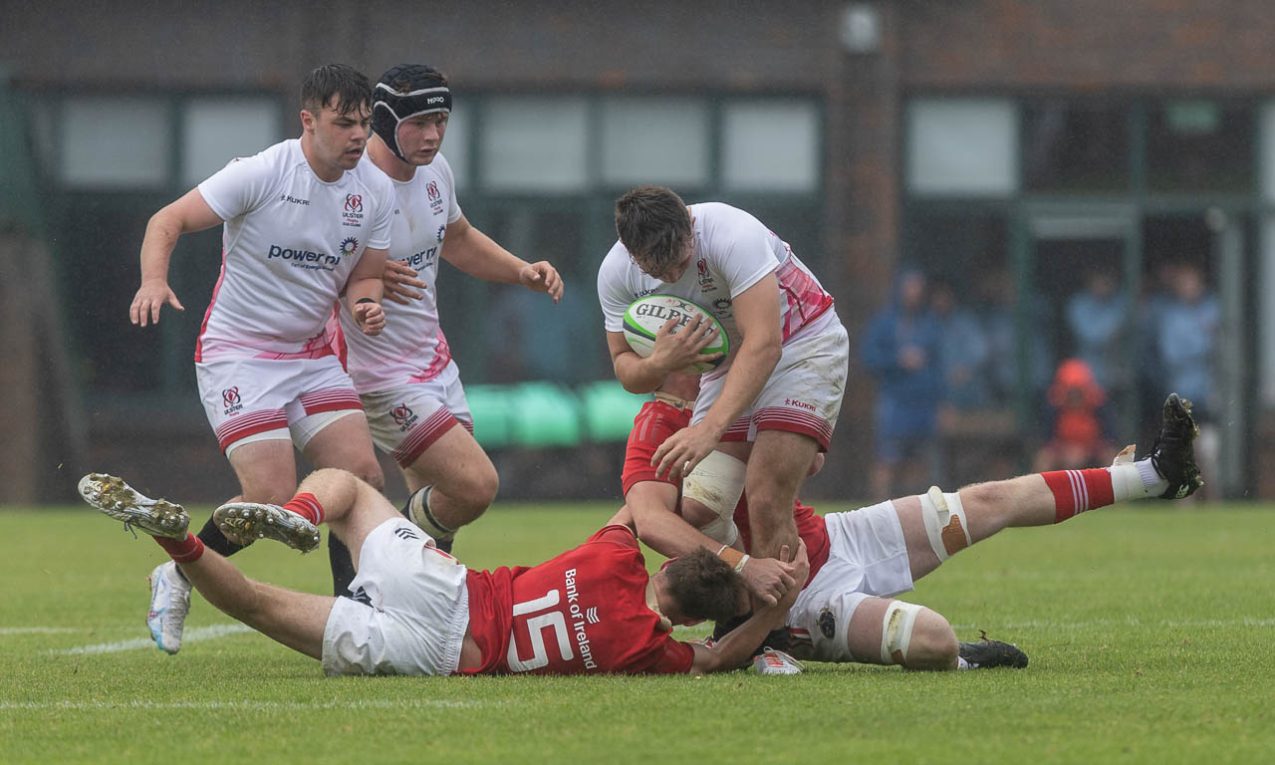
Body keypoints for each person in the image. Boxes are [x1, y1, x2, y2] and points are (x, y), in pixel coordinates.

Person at [616, 380, 1204, 670]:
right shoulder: (655, 426)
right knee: (933, 640)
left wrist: (796, 450)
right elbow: (649, 522)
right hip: (796, 600)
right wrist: (743, 570)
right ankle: (964, 661)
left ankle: (1152, 477)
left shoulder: (737, 391)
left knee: (989, 500)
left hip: (837, 536)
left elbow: (807, 458)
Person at [126, 64, 395, 654]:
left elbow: (366, 277)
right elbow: (165, 220)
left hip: (312, 354)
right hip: (239, 354)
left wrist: (367, 305)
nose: (357, 136)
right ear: (308, 120)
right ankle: (176, 571)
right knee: (271, 492)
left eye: (365, 123)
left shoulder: (374, 188)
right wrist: (152, 281)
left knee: (363, 477)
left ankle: (353, 616)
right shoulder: (262, 173)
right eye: (343, 123)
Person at [76, 469, 807, 677]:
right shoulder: (654, 647)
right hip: (439, 656)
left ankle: (301, 513)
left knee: (351, 487)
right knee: (263, 607)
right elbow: (719, 654)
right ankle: (183, 549)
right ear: (678, 613)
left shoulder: (614, 557)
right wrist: (772, 608)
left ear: (666, 566)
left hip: (444, 585)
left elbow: (639, 509)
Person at [332, 63, 562, 579]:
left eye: (441, 121)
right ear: (386, 120)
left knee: (440, 516)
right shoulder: (348, 184)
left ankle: (409, 611)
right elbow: (300, 268)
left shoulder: (436, 172)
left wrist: (519, 271)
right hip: (376, 372)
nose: (433, 135)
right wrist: (357, 279)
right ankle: (376, 548)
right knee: (474, 485)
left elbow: (456, 238)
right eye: (419, 123)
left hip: (431, 359)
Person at [596, 186, 849, 564]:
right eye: (656, 269)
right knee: (700, 512)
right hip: (729, 361)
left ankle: (775, 621)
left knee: (764, 493)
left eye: (679, 263)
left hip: (801, 342)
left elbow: (765, 344)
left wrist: (709, 429)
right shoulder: (616, 273)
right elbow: (626, 371)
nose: (671, 274)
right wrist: (657, 363)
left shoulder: (731, 233)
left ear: (690, 226)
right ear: (632, 253)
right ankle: (750, 594)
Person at [862, 267, 945, 499]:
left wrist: (941, 401)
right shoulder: (884, 323)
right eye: (910, 287)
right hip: (894, 402)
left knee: (917, 462)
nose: (914, 293)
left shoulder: (930, 324)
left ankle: (911, 509)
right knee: (887, 459)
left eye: (918, 287)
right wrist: (898, 360)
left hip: (923, 403)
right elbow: (869, 358)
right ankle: (878, 506)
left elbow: (939, 365)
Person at [1033, 358, 1116, 472]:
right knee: (1044, 459)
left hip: (1092, 450)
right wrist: (1064, 450)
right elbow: (1046, 441)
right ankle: (1044, 489)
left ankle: (1110, 489)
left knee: (1111, 458)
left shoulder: (1099, 405)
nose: (1075, 397)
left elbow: (1109, 440)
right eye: (1070, 392)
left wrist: (1087, 450)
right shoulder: (1053, 406)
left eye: (1078, 392)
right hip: (1062, 451)